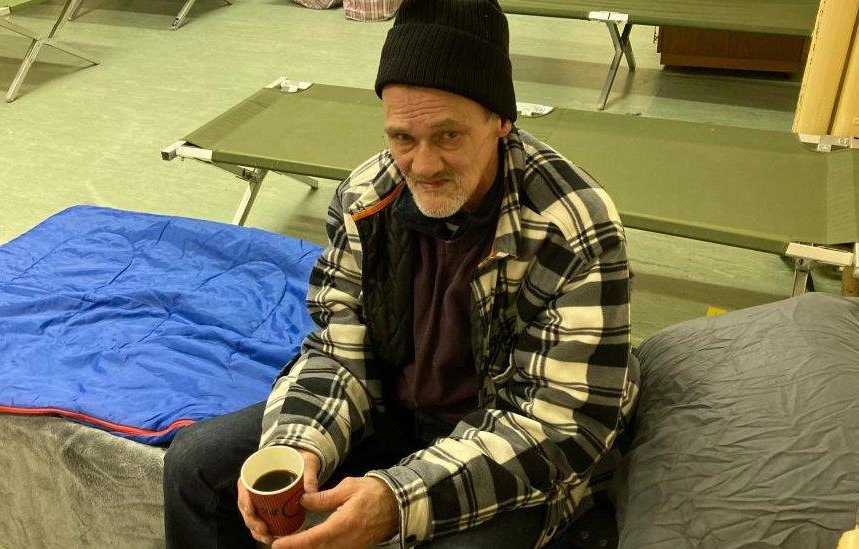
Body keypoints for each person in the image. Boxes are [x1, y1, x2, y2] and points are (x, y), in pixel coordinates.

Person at [163, 0, 638, 547]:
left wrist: (397, 500)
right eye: (402, 138)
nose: (424, 165)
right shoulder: (366, 198)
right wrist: (300, 445)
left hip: (509, 443)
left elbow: (560, 425)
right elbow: (339, 347)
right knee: (195, 465)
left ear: (502, 121)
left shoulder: (574, 227)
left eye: (450, 136)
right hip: (393, 415)